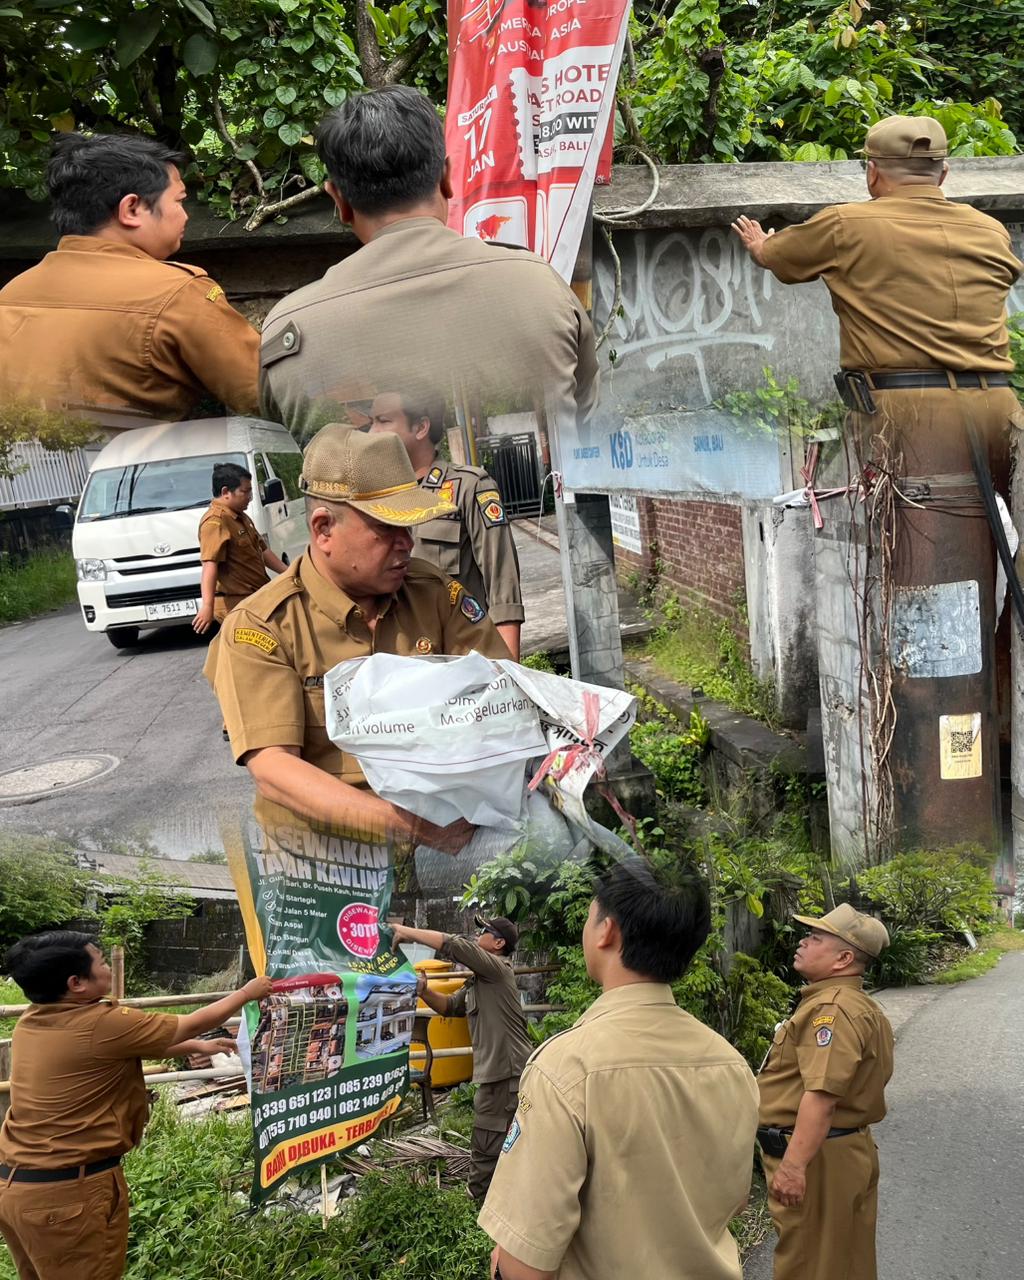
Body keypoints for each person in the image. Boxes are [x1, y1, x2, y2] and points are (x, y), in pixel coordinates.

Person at [204, 422, 510, 846]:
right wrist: (412, 828)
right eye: (387, 529)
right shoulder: (261, 625)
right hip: (323, 868)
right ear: (324, 528)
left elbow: (503, 693)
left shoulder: (433, 595)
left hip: (446, 851)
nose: (406, 543)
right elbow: (274, 769)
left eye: (410, 527)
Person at [259, 85, 599, 442]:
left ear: (338, 200)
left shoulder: (289, 330)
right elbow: (589, 428)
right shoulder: (542, 289)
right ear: (446, 177)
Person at [478, 859, 759, 1280]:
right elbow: (734, 1201)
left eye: (591, 915)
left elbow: (524, 1263)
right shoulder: (732, 1064)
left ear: (607, 931)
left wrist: (501, 1263)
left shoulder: (567, 1069)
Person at [732, 114, 1022, 453]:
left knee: (909, 507)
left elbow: (775, 255)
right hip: (1001, 408)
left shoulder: (846, 225)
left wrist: (758, 245)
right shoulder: (991, 230)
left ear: (872, 173)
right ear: (943, 174)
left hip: (907, 415)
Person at [0, 930, 271, 1280]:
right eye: (100, 963)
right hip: (68, 1197)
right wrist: (248, 992)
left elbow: (107, 1051)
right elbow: (193, 1022)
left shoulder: (34, 1020)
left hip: (18, 1187)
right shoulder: (102, 1023)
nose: (108, 968)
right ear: (76, 983)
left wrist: (195, 1048)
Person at [0, 133, 259, 426]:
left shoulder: (10, 295)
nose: (185, 216)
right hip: (134, 470)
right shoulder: (177, 293)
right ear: (132, 209)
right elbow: (266, 393)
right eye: (179, 201)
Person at [756, 904, 893, 1280]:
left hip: (818, 1159)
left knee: (808, 1267)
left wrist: (794, 1166)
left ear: (844, 958)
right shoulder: (859, 1006)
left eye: (815, 938)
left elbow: (822, 1097)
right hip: (841, 1150)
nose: (803, 941)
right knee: (845, 1264)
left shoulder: (832, 1010)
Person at [369, 389, 524, 659]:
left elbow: (502, 585)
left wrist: (510, 674)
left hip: (461, 656)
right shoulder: (374, 497)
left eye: (383, 421)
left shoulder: (469, 487)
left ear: (420, 427)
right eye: (371, 422)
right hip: (401, 661)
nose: (372, 433)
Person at [390, 914, 532, 1201]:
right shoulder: (479, 981)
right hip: (501, 1073)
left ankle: (476, 1205)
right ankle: (505, 1198)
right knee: (502, 1139)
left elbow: (453, 944)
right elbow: (449, 1006)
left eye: (485, 931)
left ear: (498, 943)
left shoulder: (497, 969)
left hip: (506, 1073)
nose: (478, 933)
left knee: (487, 1142)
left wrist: (406, 931)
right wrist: (424, 990)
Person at [193, 462, 288, 635]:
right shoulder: (215, 522)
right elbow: (209, 564)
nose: (250, 497)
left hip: (256, 599)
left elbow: (263, 551)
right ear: (225, 492)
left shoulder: (240, 517)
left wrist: (289, 573)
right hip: (237, 605)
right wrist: (207, 606)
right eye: (245, 492)